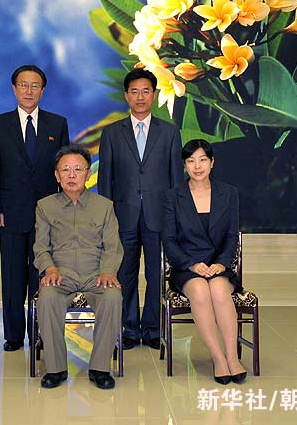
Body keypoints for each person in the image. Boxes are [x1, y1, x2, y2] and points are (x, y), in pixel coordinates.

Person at [0, 65, 70, 352]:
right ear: (14, 89)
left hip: (48, 214)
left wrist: (64, 207)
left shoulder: (57, 124)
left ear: (43, 90)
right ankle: (13, 335)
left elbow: (65, 169)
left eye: (35, 85)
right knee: (12, 275)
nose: (29, 90)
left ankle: (40, 332)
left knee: (42, 274)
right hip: (10, 212)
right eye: (23, 85)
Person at [97, 68, 183, 350]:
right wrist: (107, 219)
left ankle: (153, 330)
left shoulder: (169, 133)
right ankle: (130, 329)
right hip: (123, 217)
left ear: (154, 95)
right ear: (126, 96)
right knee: (126, 274)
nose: (140, 97)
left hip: (159, 217)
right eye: (134, 92)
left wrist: (174, 218)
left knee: (156, 275)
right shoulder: (112, 133)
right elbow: (105, 180)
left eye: (146, 91)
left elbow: (176, 181)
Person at [33, 145, 124, 389]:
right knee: (47, 297)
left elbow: (112, 246)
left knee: (112, 297)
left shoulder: (104, 206)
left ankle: (100, 368)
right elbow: (41, 247)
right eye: (66, 170)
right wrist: (49, 269)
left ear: (88, 174)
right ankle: (56, 369)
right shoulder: (45, 206)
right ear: (57, 175)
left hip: (96, 273)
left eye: (78, 169)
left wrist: (108, 271)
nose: (72, 175)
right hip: (61, 274)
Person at [162, 139, 246, 385]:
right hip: (186, 267)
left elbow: (231, 236)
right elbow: (169, 240)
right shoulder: (172, 197)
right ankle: (218, 358)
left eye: (202, 160)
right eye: (191, 161)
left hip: (219, 265)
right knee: (199, 290)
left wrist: (222, 263)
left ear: (212, 162)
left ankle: (232, 358)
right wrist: (191, 264)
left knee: (219, 289)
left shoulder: (228, 193)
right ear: (184, 165)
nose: (197, 166)